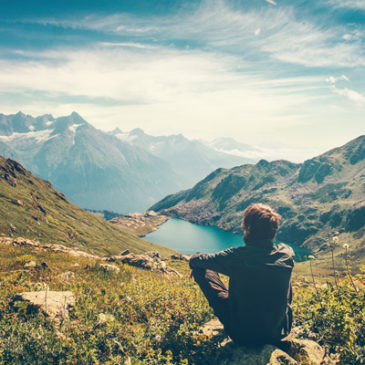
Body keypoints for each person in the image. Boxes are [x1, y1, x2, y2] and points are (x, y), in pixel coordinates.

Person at [189, 203, 294, 347]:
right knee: (282, 275)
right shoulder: (286, 253)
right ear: (273, 230)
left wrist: (197, 265)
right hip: (279, 332)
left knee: (203, 269)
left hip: (244, 335)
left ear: (248, 228)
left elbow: (196, 260)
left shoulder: (237, 257)